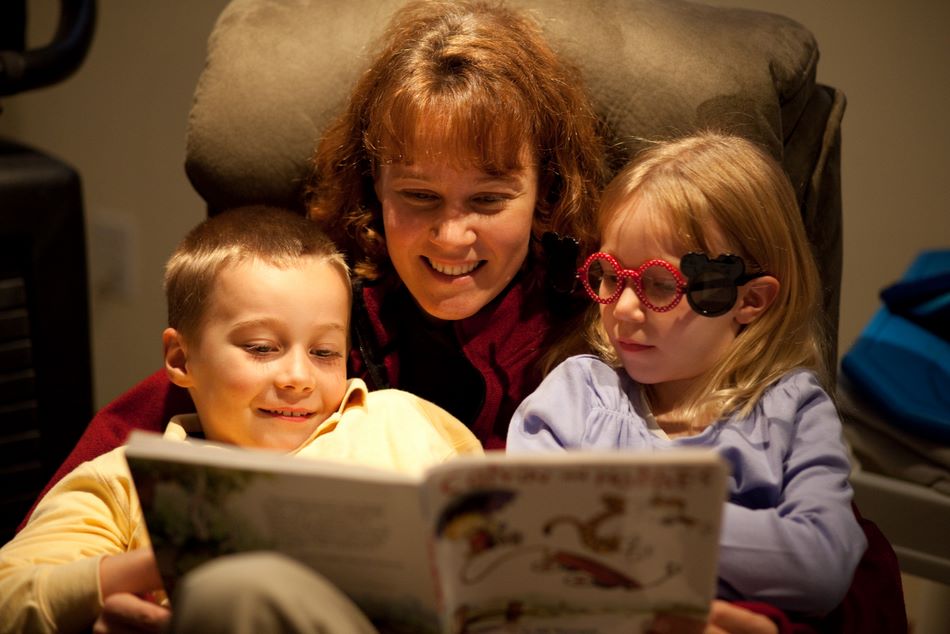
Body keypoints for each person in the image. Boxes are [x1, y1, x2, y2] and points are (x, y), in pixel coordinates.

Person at [17, 2, 890, 633]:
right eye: (418, 197)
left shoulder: (611, 332)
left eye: (490, 199)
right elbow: (129, 462)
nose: (451, 237)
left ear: (545, 192)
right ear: (373, 191)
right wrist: (100, 590)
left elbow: (849, 556)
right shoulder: (320, 321)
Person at [0, 206, 483, 634]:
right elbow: (10, 595)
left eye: (324, 352)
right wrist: (147, 570)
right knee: (233, 591)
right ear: (181, 359)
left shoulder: (402, 423)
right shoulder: (125, 481)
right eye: (261, 348)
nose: (298, 378)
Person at [507, 132, 868, 617]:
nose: (623, 309)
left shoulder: (792, 412)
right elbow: (527, 530)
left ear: (750, 300)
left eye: (660, 284)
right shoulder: (579, 395)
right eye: (611, 275)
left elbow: (821, 563)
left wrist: (616, 522)